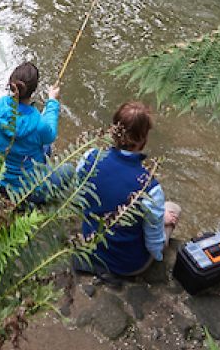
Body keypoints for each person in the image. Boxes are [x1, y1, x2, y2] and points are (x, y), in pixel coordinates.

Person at [76, 101, 180, 279]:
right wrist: (162, 224)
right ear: (143, 139)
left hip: (89, 249)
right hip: (126, 265)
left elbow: (80, 197)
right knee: (173, 208)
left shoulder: (89, 158)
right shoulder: (149, 186)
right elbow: (154, 246)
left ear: (113, 130)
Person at [0, 62, 61, 200]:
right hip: (26, 191)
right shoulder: (39, 123)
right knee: (67, 169)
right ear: (34, 90)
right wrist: (52, 101)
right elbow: (51, 134)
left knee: (44, 146)